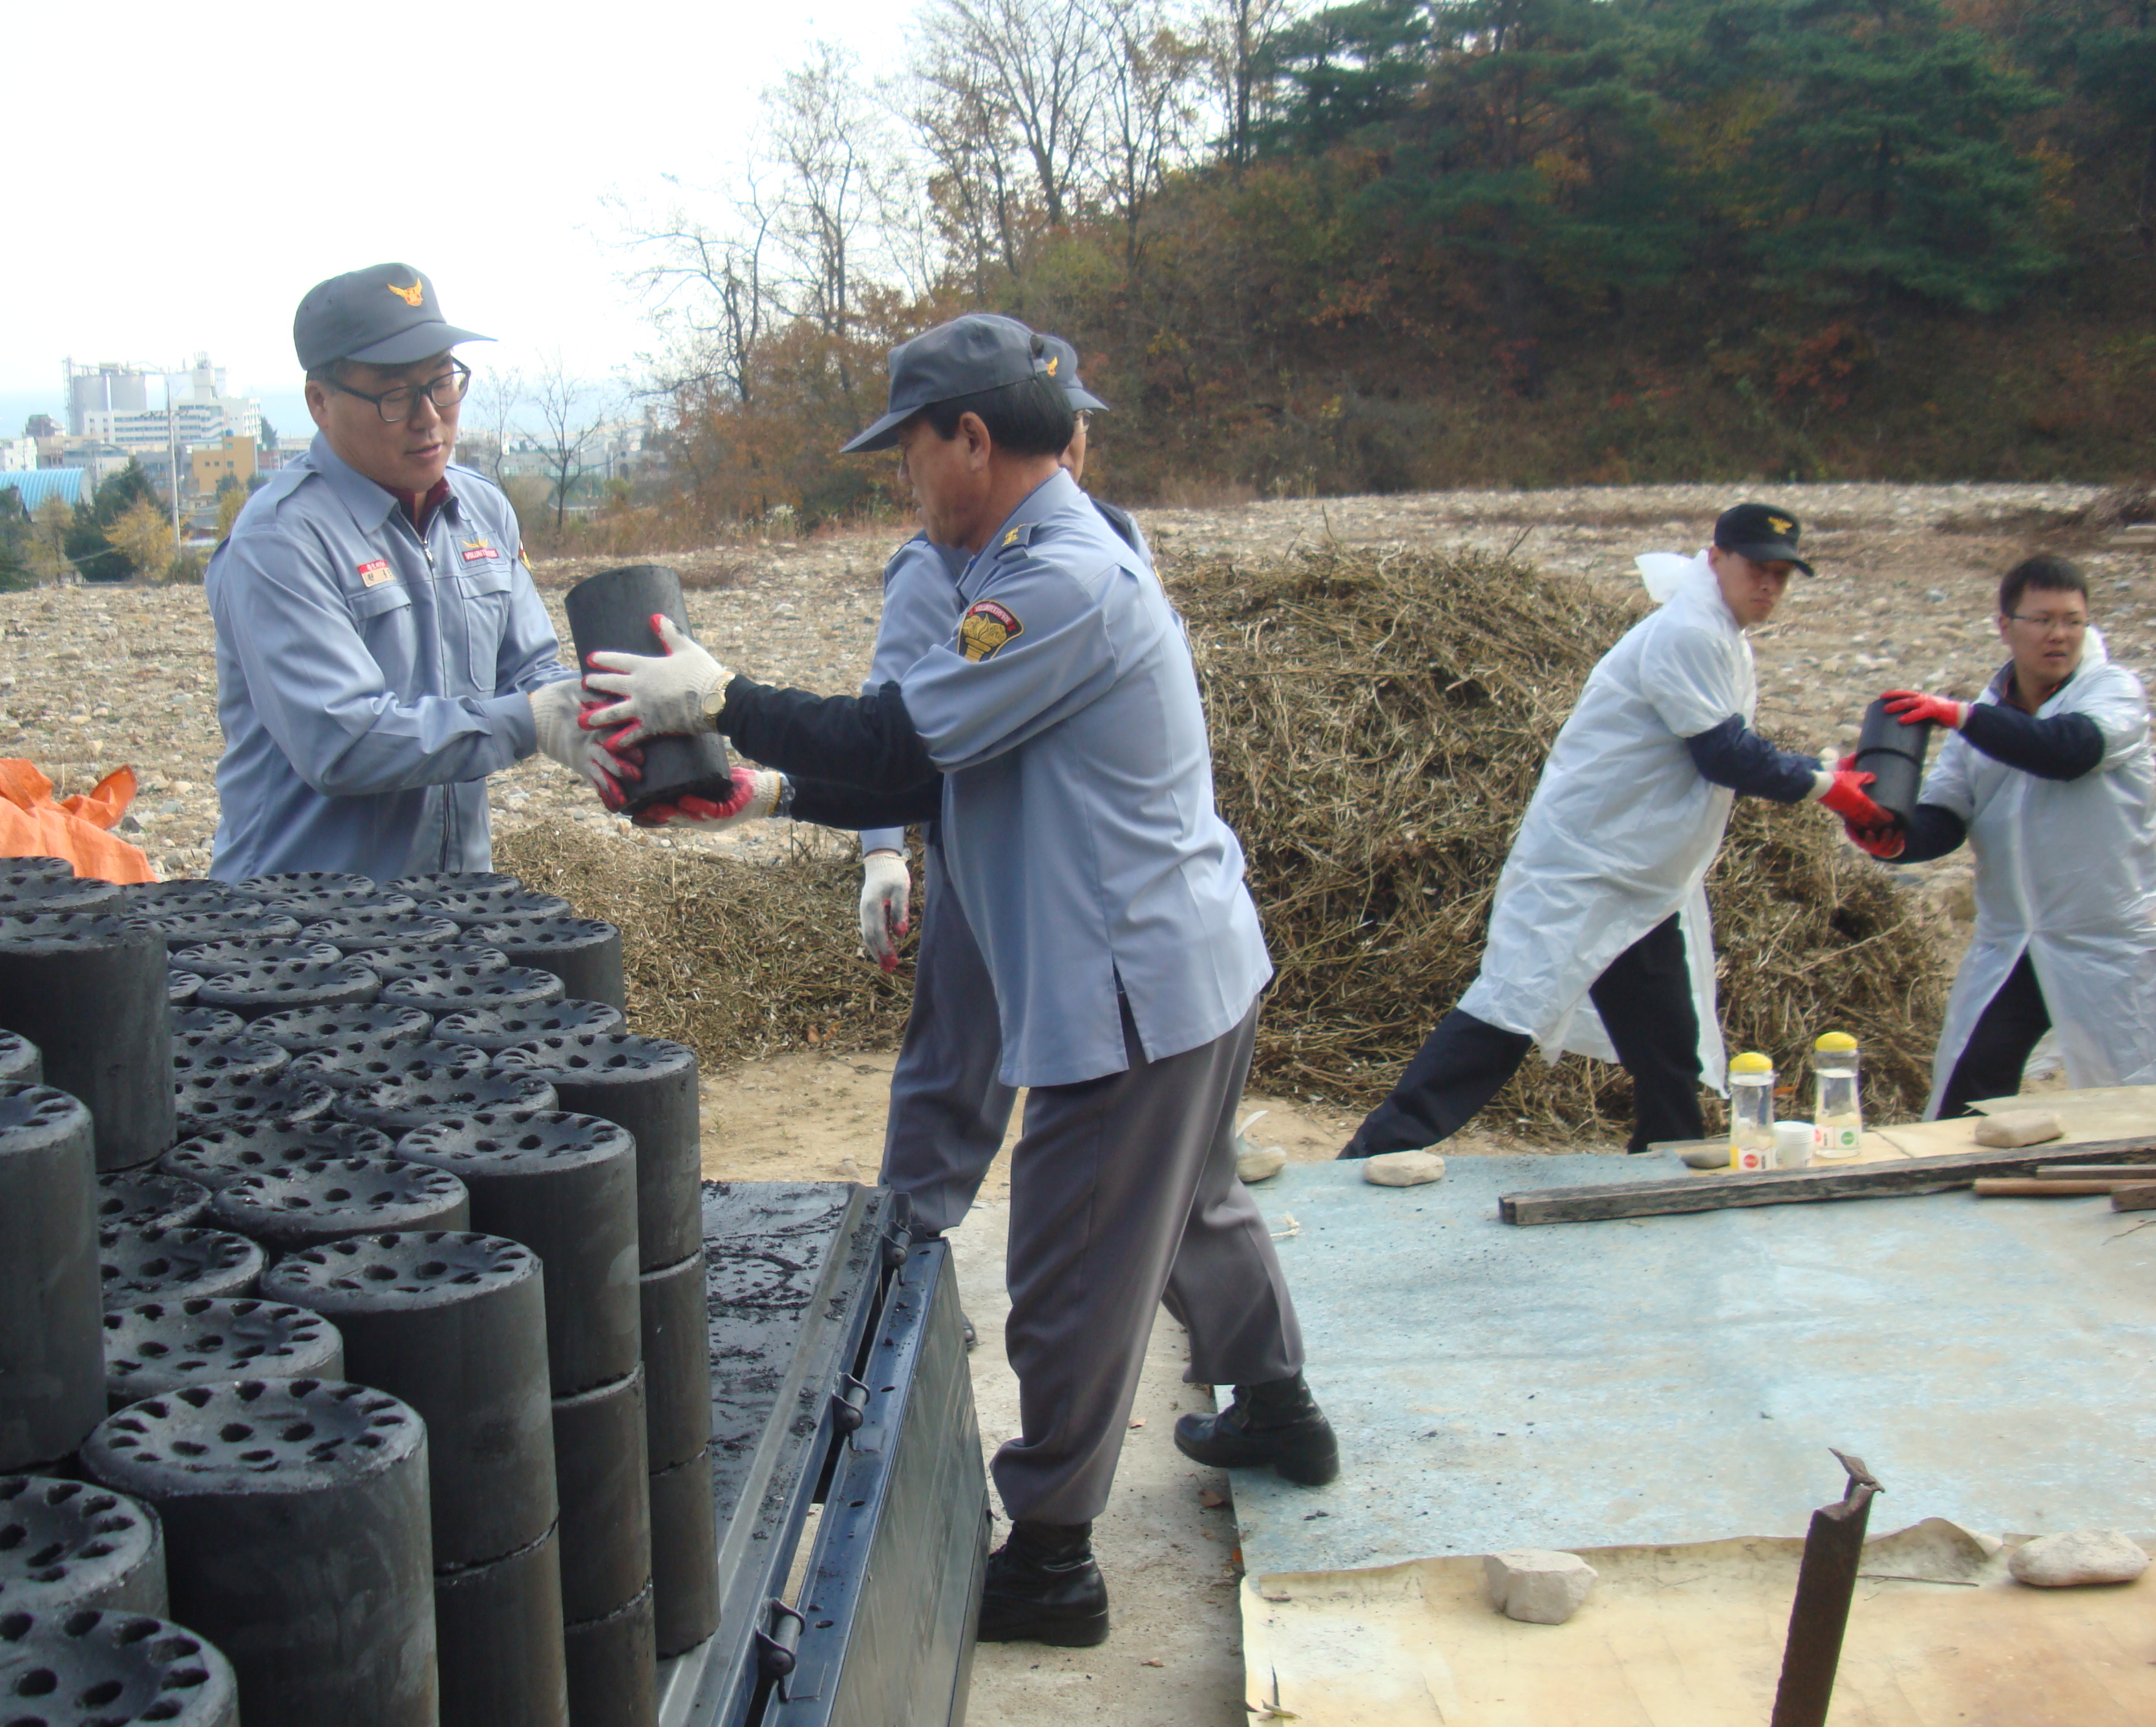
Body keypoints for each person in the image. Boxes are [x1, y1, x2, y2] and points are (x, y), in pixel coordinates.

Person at [580, 313, 1327, 1650]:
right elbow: (937, 767)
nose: (906, 480)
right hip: (1192, 959)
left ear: (971, 439)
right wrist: (770, 791)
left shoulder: (1053, 580)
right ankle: (1277, 1407)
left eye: (910, 451)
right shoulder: (1042, 556)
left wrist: (722, 695)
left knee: (1072, 1269)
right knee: (1190, 1204)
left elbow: (899, 736)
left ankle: (1052, 1559)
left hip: (1127, 990)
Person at [1338, 505, 1890, 1160]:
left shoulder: (1722, 635)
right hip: (1587, 865)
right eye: (1756, 568)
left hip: (1642, 876)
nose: (1768, 585)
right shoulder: (1689, 632)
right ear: (1716, 558)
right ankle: (1370, 1157)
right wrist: (1830, 789)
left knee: (1666, 1043)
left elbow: (1733, 746)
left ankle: (1671, 1161)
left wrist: (1821, 774)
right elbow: (1723, 755)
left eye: (1782, 574)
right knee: (1507, 1015)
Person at [855, 334, 1132, 1271]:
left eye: (1078, 423)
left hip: (1085, 868)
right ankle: (905, 1268)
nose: (1070, 443)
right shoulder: (937, 562)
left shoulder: (1101, 543)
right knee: (957, 1068)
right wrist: (882, 849)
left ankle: (1189, 1288)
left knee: (1141, 1106)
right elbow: (887, 724)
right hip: (985, 853)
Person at [204, 262, 621, 882]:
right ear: (320, 403)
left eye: (443, 382)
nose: (430, 416)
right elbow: (345, 743)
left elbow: (531, 669)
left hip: (450, 904)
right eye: (395, 395)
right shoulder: (281, 540)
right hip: (301, 917)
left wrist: (607, 714)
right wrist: (534, 719)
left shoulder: (481, 509)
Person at [1843, 555, 2156, 1116]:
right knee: (1968, 1087)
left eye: (2073, 621)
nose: (2059, 635)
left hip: (2111, 941)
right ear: (2005, 626)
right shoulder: (1984, 716)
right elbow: (1946, 815)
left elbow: (2067, 751)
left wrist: (1959, 716)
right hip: (2016, 940)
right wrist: (1888, 833)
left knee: (2131, 1103)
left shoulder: (2113, 692)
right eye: (2043, 620)